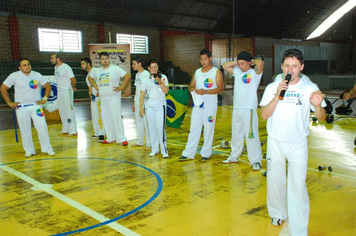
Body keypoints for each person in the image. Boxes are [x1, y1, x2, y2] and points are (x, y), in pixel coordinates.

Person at [260, 49, 326, 236]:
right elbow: (264, 115)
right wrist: (277, 94)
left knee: (297, 185)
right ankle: (277, 213)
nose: (290, 69)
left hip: (297, 144)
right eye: (287, 65)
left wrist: (318, 105)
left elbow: (321, 118)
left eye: (294, 66)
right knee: (275, 180)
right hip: (275, 141)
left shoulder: (309, 87)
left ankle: (299, 229)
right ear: (282, 66)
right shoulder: (274, 86)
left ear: (301, 67)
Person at [0, 58, 55, 157]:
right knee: (25, 129)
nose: (27, 66)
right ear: (19, 67)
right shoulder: (14, 76)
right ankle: (29, 150)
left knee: (42, 126)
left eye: (28, 64)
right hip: (21, 107)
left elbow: (48, 86)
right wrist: (9, 102)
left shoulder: (37, 75)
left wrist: (45, 98)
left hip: (36, 106)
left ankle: (47, 148)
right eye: (24, 65)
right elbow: (3, 88)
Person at [221, 51, 264, 171]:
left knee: (251, 135)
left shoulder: (255, 73)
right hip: (237, 108)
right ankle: (234, 156)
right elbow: (225, 66)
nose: (240, 66)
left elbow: (260, 63)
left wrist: (248, 60)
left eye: (243, 64)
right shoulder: (238, 72)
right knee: (236, 134)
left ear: (249, 63)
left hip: (249, 109)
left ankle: (256, 160)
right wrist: (239, 60)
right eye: (239, 64)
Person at [179, 49, 223, 162]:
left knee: (208, 128)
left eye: (205, 59)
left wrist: (206, 91)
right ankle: (189, 152)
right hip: (198, 104)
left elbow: (220, 88)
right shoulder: (197, 72)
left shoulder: (216, 72)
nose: (203, 61)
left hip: (210, 105)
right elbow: (191, 85)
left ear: (210, 59)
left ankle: (206, 153)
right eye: (201, 59)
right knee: (194, 128)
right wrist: (192, 89)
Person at [88, 52, 130, 146]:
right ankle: (110, 137)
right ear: (100, 60)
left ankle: (122, 138)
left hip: (113, 98)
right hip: (103, 99)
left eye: (106, 58)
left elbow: (127, 75)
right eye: (102, 59)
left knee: (116, 117)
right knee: (106, 118)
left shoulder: (115, 69)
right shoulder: (97, 71)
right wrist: (96, 86)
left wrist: (121, 87)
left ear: (109, 59)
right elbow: (90, 78)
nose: (104, 60)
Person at [139, 59, 169, 158]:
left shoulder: (163, 77)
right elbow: (142, 94)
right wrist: (141, 107)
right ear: (148, 68)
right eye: (152, 67)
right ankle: (154, 149)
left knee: (160, 128)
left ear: (158, 68)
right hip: (148, 106)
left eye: (155, 67)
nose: (154, 69)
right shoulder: (145, 79)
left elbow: (166, 91)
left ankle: (164, 150)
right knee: (151, 128)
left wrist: (160, 82)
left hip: (160, 105)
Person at [51, 53, 78, 136]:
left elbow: (73, 80)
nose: (51, 60)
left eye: (52, 58)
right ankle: (65, 129)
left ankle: (73, 131)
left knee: (69, 110)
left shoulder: (66, 67)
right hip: (60, 91)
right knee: (62, 110)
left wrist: (71, 87)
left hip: (67, 91)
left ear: (58, 59)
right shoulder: (56, 67)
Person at [81, 57, 105, 142]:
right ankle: (97, 133)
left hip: (101, 97)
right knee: (94, 115)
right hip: (94, 98)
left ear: (88, 64)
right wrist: (91, 98)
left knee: (101, 115)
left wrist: (100, 91)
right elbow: (90, 89)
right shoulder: (87, 77)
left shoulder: (96, 71)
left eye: (83, 64)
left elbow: (102, 82)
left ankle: (102, 133)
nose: (81, 65)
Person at [131, 57, 150, 148]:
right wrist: (135, 103)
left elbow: (146, 91)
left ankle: (149, 143)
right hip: (138, 101)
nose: (132, 66)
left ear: (140, 64)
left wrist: (143, 104)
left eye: (134, 64)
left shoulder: (146, 75)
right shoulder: (137, 75)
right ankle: (140, 141)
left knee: (146, 122)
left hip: (145, 102)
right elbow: (137, 90)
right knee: (138, 121)